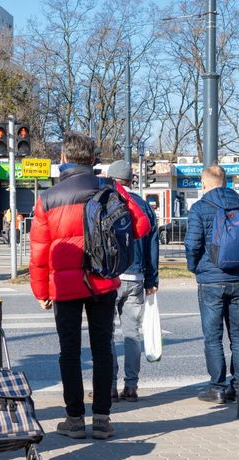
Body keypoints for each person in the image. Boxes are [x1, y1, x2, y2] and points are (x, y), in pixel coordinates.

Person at [29, 134, 151, 438]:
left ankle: (74, 419)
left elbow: (39, 252)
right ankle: (102, 419)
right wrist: (116, 188)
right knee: (102, 349)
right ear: (92, 160)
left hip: (64, 285)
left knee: (69, 353)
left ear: (63, 158)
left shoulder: (47, 198)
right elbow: (141, 225)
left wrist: (41, 291)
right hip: (103, 281)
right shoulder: (107, 189)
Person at [185, 164, 239, 404]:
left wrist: (195, 267)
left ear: (204, 183)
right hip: (238, 279)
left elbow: (192, 244)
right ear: (225, 181)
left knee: (213, 337)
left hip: (210, 280)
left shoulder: (200, 208)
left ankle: (217, 388)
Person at [105, 159, 160, 402]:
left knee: (105, 334)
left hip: (110, 276)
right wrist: (151, 278)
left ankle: (108, 386)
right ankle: (131, 386)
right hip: (136, 276)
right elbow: (153, 245)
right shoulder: (143, 206)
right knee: (132, 333)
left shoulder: (105, 201)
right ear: (130, 180)